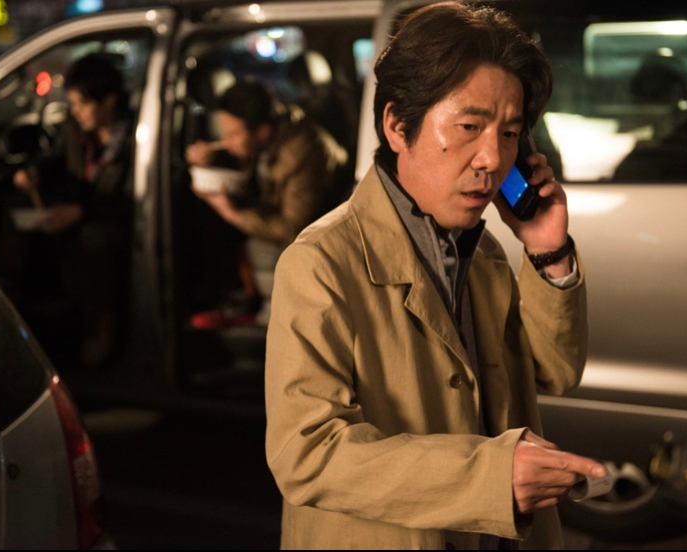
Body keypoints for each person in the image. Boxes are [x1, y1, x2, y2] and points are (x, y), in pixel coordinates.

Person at [264, 2, 606, 549]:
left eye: (510, 133)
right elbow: (306, 453)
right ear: (398, 126)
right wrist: (490, 477)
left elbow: (556, 372)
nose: (492, 158)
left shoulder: (486, 253)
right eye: (469, 127)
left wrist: (549, 251)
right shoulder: (321, 262)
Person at [0, 52, 133, 369]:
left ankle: (100, 327)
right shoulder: (77, 131)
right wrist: (35, 174)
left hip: (112, 221)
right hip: (77, 209)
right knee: (17, 205)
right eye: (72, 104)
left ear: (109, 101)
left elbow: (130, 199)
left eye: (82, 104)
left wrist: (82, 211)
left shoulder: (134, 138)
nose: (75, 111)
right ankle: (4, 298)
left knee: (93, 237)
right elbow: (60, 162)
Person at [184, 79, 347, 327]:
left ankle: (256, 314)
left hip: (319, 235)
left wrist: (231, 214)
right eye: (224, 133)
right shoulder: (266, 139)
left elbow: (293, 227)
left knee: (229, 226)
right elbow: (252, 177)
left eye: (233, 134)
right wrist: (210, 161)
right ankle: (232, 300)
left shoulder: (301, 151)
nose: (226, 141)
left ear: (261, 130)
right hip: (281, 214)